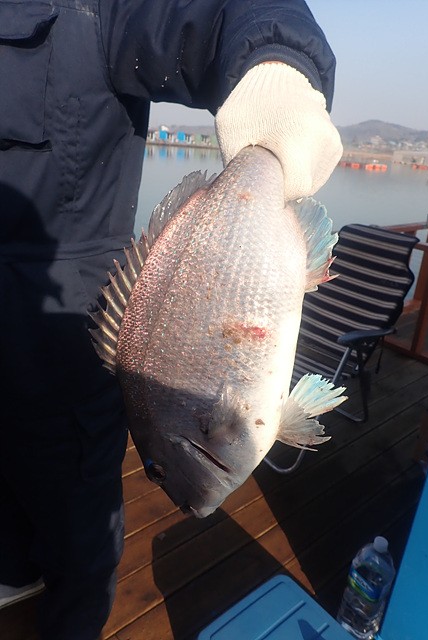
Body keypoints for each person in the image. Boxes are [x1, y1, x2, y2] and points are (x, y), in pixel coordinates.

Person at [0, 0, 342, 638]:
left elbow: (223, 9)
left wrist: (277, 62)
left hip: (60, 360)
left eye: (155, 471)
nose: (165, 480)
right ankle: (16, 575)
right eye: (158, 469)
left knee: (78, 531)